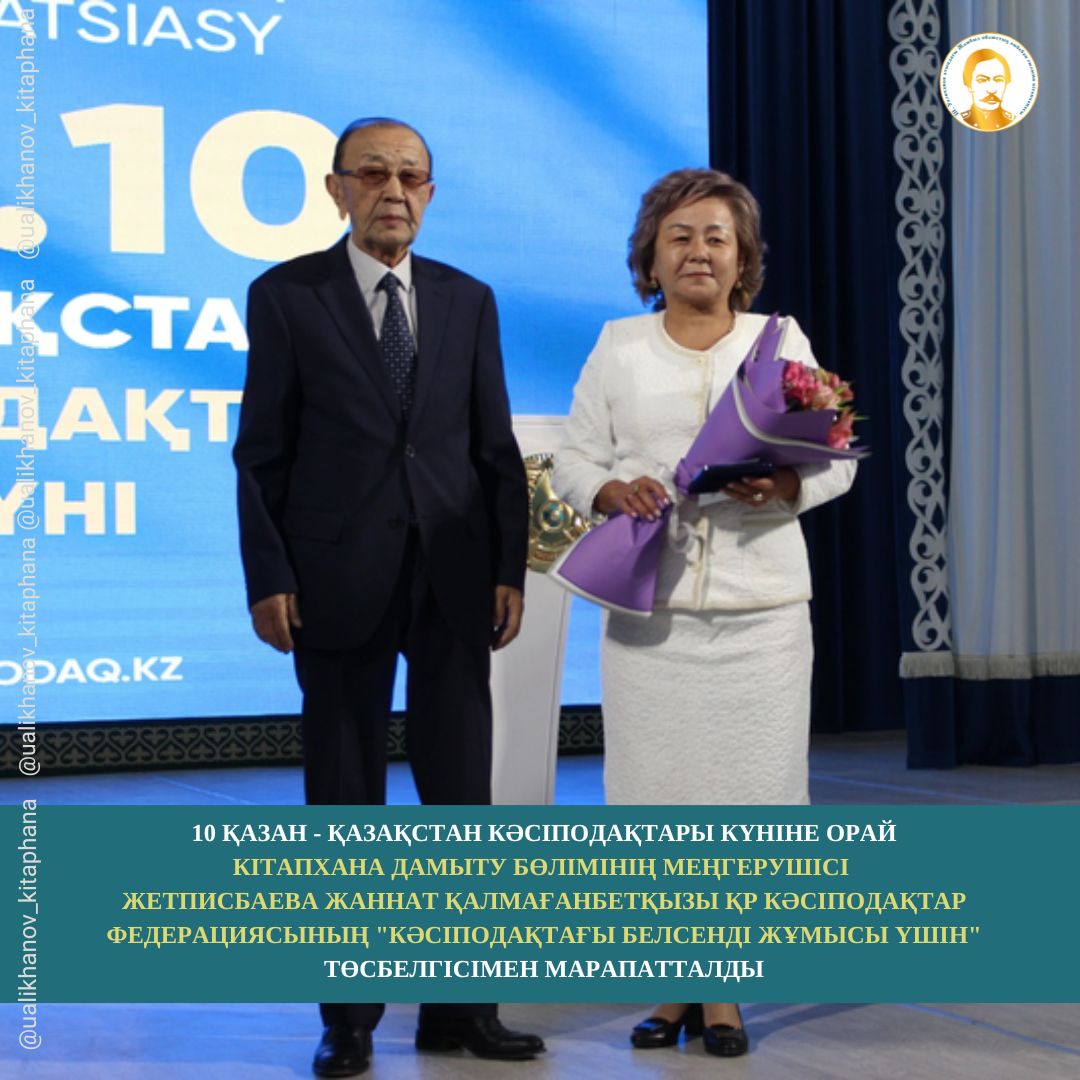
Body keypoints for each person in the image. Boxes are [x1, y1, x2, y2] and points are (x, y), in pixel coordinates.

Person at [233, 117, 542, 1078]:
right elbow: (261, 453)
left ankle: (461, 1009)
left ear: (431, 194)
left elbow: (494, 449)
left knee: (461, 802)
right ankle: (350, 1020)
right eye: (373, 174)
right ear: (337, 190)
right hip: (333, 581)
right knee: (345, 805)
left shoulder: (468, 299)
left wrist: (509, 566)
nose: (393, 191)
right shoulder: (287, 296)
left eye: (411, 176)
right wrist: (269, 575)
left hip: (453, 580)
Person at [552, 168, 856, 1058]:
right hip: (652, 615)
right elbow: (573, 460)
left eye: (717, 237)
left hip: (764, 615)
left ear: (742, 258)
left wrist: (787, 483)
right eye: (679, 237)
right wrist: (611, 490)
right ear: (650, 257)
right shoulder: (617, 345)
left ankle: (720, 992)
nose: (698, 252)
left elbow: (838, 456)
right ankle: (676, 984)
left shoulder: (779, 340)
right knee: (659, 802)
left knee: (749, 802)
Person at [960, 48, 1015, 130]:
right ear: (969, 85)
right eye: (982, 80)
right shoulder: (960, 120)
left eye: (999, 80)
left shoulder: (1012, 121)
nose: (992, 90)